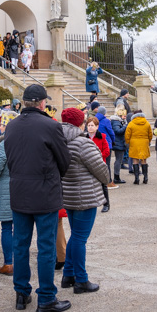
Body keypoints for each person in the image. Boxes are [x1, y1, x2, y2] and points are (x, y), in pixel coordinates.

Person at [4, 84, 71, 312]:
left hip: (20, 191)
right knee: (45, 247)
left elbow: (10, 160)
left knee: (20, 245)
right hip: (44, 193)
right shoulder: (50, 125)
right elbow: (64, 161)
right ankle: (46, 298)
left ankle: (22, 293)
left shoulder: (11, 126)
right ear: (42, 103)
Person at [58, 107, 110, 294]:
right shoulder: (83, 143)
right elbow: (101, 170)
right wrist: (106, 179)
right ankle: (81, 279)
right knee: (80, 238)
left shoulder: (58, 141)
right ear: (80, 123)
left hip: (67, 194)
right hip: (85, 195)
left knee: (76, 236)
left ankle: (68, 274)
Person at [0, 111, 19, 275]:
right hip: (23, 187)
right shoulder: (24, 141)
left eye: (2, 124)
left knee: (7, 227)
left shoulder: (4, 143)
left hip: (7, 188)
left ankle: (9, 263)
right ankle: (20, 261)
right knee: (21, 226)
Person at [84, 116, 111, 212]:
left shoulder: (102, 137)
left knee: (103, 185)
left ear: (97, 127)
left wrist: (97, 157)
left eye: (92, 125)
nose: (90, 127)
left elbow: (107, 151)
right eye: (89, 125)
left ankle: (106, 204)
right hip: (87, 165)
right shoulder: (84, 138)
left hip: (99, 164)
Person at [125, 109, 153, 185]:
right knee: (144, 160)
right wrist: (148, 141)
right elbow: (150, 134)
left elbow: (127, 135)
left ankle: (136, 179)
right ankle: (145, 177)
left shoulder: (131, 123)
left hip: (134, 143)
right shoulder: (147, 123)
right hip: (144, 142)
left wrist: (128, 142)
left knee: (135, 160)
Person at [110, 107, 129, 184]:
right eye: (124, 116)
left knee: (118, 160)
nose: (125, 117)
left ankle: (117, 177)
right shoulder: (116, 122)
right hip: (119, 143)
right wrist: (125, 126)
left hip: (119, 142)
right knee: (118, 160)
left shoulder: (118, 121)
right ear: (120, 115)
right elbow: (118, 131)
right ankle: (116, 177)